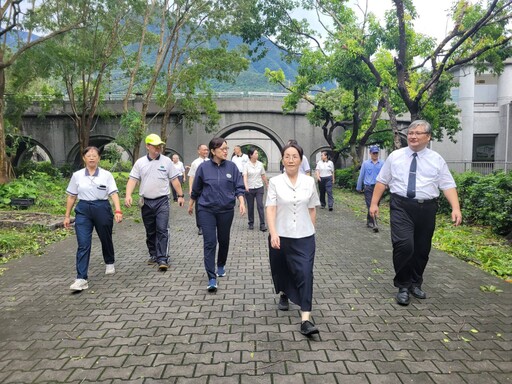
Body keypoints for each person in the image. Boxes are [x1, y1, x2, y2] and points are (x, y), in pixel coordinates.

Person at [369, 120, 462, 306]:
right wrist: (374, 203)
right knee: (404, 245)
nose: (412, 136)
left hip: (427, 209)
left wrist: (456, 207)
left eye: (418, 133)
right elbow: (382, 181)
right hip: (401, 206)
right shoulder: (395, 156)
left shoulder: (436, 159)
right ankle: (403, 285)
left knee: (422, 249)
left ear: (428, 137)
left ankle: (415, 283)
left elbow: (447, 184)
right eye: (410, 132)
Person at [266, 142, 321, 336]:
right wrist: (273, 232)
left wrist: (311, 230)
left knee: (306, 273)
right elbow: (270, 208)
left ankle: (305, 319)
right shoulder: (275, 182)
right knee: (283, 269)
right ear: (282, 159)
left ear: (300, 159)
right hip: (281, 235)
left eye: (294, 156)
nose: (291, 159)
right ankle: (284, 293)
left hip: (305, 236)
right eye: (287, 156)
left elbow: (312, 208)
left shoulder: (309, 182)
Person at [188, 138, 246, 292]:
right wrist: (191, 204)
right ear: (213, 151)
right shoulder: (203, 168)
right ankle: (211, 277)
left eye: (227, 148)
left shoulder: (232, 167)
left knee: (224, 240)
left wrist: (241, 202)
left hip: (226, 210)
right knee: (210, 242)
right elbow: (196, 188)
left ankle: (221, 264)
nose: (226, 151)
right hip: (206, 209)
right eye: (222, 149)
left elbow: (239, 186)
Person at [64, 146, 123, 292]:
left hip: (102, 207)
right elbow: (72, 196)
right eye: (88, 155)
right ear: (84, 158)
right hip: (83, 210)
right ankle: (81, 278)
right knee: (83, 243)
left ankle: (109, 261)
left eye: (94, 155)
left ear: (99, 158)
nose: (91, 157)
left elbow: (114, 193)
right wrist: (66, 216)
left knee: (105, 237)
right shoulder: (77, 175)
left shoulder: (106, 175)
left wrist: (118, 210)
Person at [125, 134, 185, 271]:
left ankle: (163, 258)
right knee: (150, 230)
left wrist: (180, 195)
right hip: (146, 202)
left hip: (162, 201)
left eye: (160, 146)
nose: (158, 148)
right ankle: (153, 254)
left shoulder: (167, 161)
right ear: (147, 146)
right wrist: (128, 195)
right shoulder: (140, 163)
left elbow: (174, 180)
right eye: (155, 146)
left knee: (162, 229)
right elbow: (132, 180)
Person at [356, 145, 384, 228]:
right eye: (373, 153)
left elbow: (385, 176)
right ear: (370, 153)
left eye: (376, 153)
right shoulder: (366, 163)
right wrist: (359, 187)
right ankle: (374, 223)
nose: (375, 155)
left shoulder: (382, 163)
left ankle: (369, 220)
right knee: (370, 205)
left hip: (378, 187)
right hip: (368, 187)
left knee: (376, 204)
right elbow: (361, 175)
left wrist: (386, 185)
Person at [243, 147, 268, 231]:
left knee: (260, 205)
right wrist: (246, 186)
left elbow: (263, 175)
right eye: (256, 153)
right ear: (251, 155)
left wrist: (267, 184)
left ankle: (262, 224)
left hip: (259, 187)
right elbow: (245, 176)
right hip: (249, 188)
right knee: (250, 206)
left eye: (257, 153)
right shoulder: (246, 165)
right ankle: (251, 223)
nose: (257, 155)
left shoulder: (260, 164)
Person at [188, 144, 210, 235]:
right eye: (204, 150)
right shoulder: (195, 163)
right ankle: (200, 226)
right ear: (199, 151)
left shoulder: (210, 161)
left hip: (209, 188)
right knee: (198, 207)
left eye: (207, 150)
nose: (206, 152)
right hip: (199, 188)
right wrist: (191, 189)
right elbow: (192, 177)